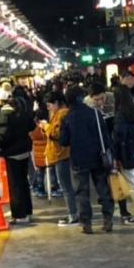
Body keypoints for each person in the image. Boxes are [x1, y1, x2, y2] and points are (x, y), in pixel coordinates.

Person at [59, 85, 115, 233]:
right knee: (102, 189)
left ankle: (86, 223)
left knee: (82, 192)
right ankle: (108, 219)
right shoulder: (95, 114)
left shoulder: (67, 118)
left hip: (79, 159)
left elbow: (63, 141)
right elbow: (106, 137)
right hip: (98, 157)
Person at [0, 87, 34, 224]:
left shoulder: (7, 112)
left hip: (12, 153)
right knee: (24, 182)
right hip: (25, 151)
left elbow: (4, 133)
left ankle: (19, 215)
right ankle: (27, 211)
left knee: (15, 185)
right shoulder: (25, 110)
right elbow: (32, 126)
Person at [112, 84, 134, 224]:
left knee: (132, 183)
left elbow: (119, 136)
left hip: (127, 152)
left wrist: (116, 156)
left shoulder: (121, 114)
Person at [44, 92, 77, 225]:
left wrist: (46, 126)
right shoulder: (61, 113)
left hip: (61, 154)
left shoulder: (62, 114)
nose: (48, 108)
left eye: (49, 105)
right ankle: (74, 213)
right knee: (68, 185)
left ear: (57, 103)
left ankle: (73, 215)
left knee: (66, 186)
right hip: (64, 153)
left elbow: (56, 134)